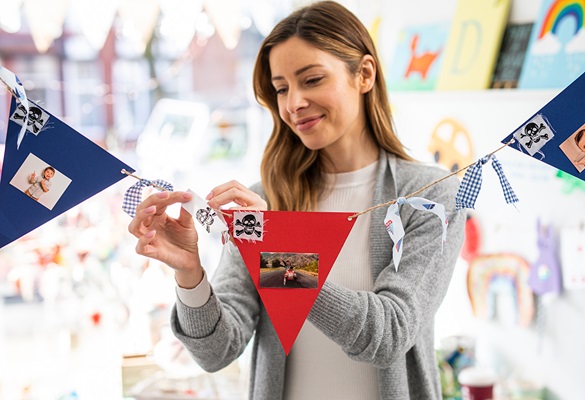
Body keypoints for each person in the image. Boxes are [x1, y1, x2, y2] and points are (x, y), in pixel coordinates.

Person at [128, 2, 466, 399]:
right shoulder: (267, 198)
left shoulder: (429, 196)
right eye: (282, 88)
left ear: (364, 74)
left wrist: (278, 256)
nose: (293, 104)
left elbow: (389, 333)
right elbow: (217, 351)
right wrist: (190, 274)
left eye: (312, 79)